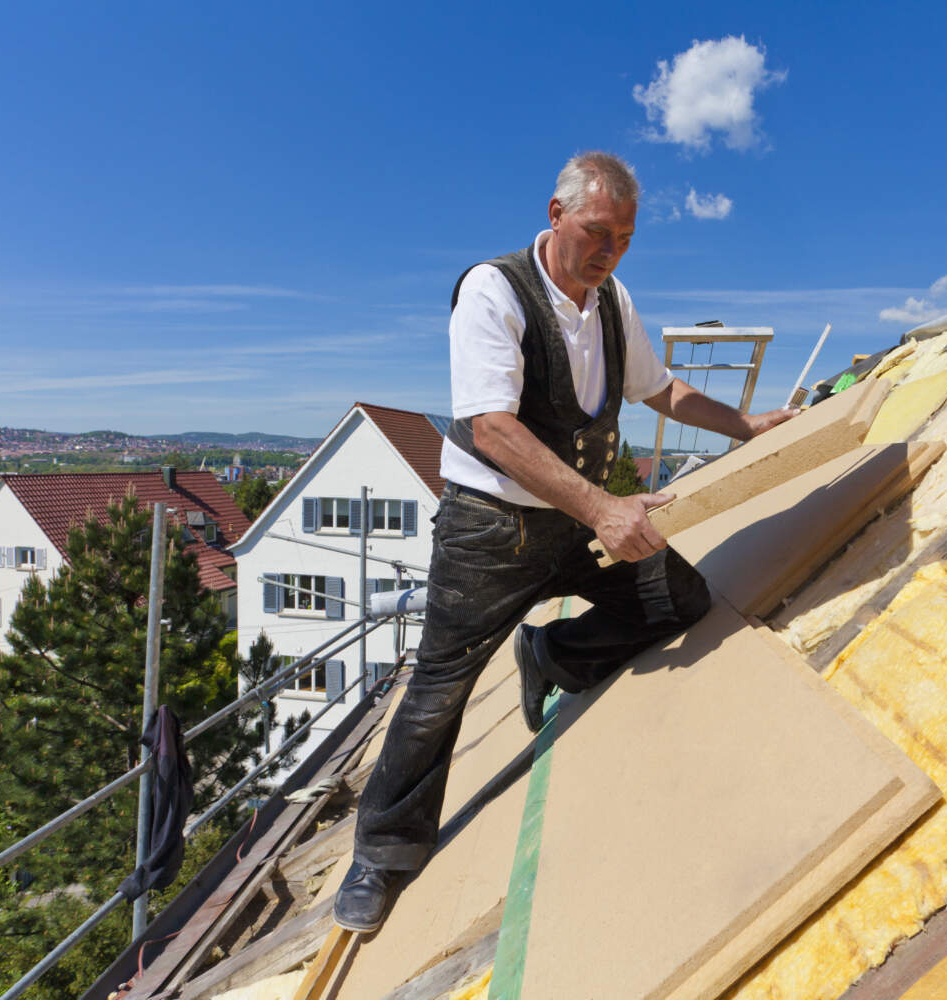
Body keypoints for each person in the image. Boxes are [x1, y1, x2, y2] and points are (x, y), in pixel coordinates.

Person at [333, 151, 794, 932]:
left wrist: (744, 425)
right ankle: (382, 855)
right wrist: (605, 509)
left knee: (678, 601)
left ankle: (552, 655)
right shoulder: (495, 290)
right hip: (493, 534)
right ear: (556, 215)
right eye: (596, 230)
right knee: (439, 690)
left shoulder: (613, 300)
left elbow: (662, 389)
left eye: (624, 236)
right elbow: (492, 428)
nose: (609, 249)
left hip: (579, 526)